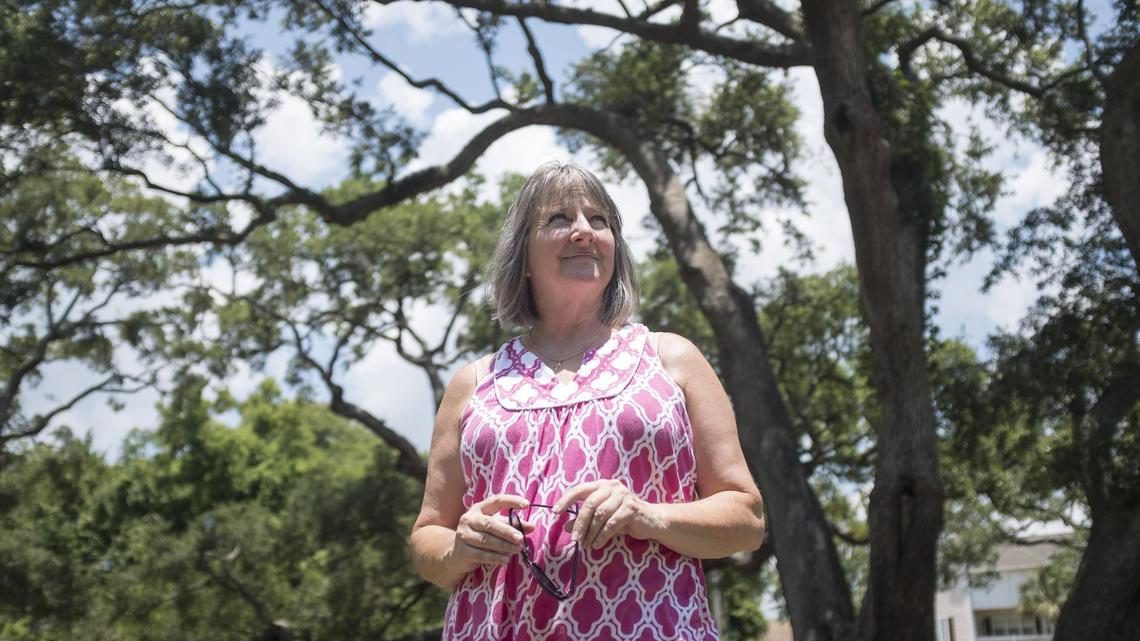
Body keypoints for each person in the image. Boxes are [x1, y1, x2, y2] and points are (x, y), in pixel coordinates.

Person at [409, 161, 764, 640]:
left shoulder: (671, 359)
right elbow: (427, 537)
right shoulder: (473, 384)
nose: (583, 231)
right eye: (559, 219)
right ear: (523, 257)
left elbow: (746, 518)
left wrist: (647, 515)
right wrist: (458, 548)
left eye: (599, 221)